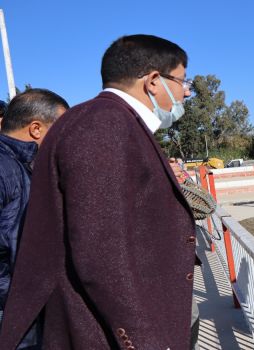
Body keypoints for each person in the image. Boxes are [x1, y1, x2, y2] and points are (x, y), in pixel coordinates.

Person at [0, 34, 197, 349]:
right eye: (183, 81)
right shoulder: (103, 125)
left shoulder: (113, 122)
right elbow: (101, 253)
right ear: (154, 81)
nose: (186, 92)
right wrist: (143, 340)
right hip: (102, 333)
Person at [0, 89, 68, 349]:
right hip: (15, 315)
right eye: (60, 130)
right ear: (36, 129)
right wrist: (23, 298)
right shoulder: (6, 167)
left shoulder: (26, 165)